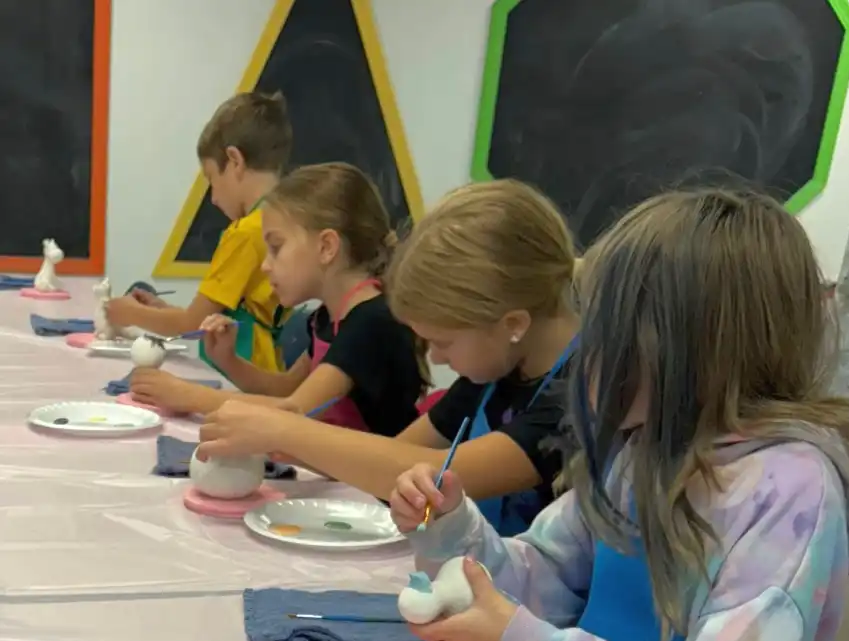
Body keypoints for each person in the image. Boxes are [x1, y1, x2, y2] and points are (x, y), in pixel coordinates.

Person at [388, 187, 849, 641]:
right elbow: (541, 575)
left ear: (691, 352)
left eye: (607, 337)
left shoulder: (790, 492)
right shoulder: (641, 453)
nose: (585, 360)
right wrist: (449, 528)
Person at [192, 179, 581, 534]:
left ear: (512, 323)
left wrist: (282, 429)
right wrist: (279, 441)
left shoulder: (579, 397)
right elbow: (397, 455)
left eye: (443, 342)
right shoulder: (497, 372)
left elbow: (450, 473)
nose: (437, 360)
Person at [131, 163, 426, 437]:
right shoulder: (328, 316)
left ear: (326, 247)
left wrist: (192, 396)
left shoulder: (371, 322)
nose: (265, 265)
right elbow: (286, 390)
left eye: (276, 247)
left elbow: (295, 411)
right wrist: (229, 361)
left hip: (373, 491)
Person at [106, 92, 292, 370]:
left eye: (211, 179)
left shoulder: (246, 233)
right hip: (271, 368)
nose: (214, 198)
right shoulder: (288, 218)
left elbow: (191, 324)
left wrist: (131, 313)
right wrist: (158, 310)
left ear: (234, 161)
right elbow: (210, 317)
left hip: (241, 372)